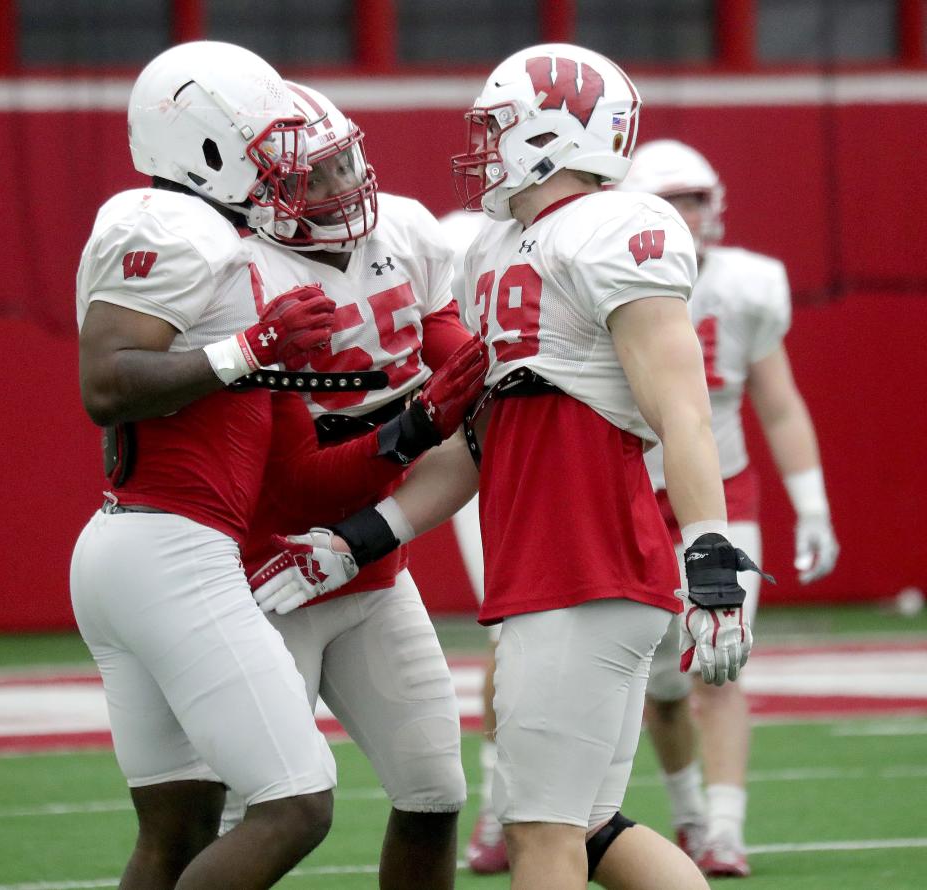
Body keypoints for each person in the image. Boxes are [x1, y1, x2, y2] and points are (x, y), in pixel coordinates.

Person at [256, 43, 771, 890]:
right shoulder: (501, 246)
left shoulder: (615, 228)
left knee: (541, 838)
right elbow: (481, 447)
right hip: (559, 568)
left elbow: (686, 407)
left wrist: (710, 555)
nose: (484, 147)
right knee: (592, 828)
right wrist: (359, 538)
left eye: (498, 128)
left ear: (553, 133)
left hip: (585, 569)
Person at [71, 42, 342, 889]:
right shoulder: (170, 221)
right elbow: (107, 383)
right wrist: (248, 349)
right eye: (263, 146)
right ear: (204, 144)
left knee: (179, 827)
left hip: (147, 544)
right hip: (170, 548)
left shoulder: (206, 231)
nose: (275, 170)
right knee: (297, 803)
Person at [219, 81, 487, 890]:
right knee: (254, 813)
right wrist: (418, 425)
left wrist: (481, 373)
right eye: (317, 177)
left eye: (345, 164)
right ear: (253, 190)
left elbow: (450, 347)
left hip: (371, 574)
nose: (344, 188)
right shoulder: (239, 273)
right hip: (268, 575)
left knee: (436, 790)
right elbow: (296, 480)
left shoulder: (404, 229)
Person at [615, 139, 840, 878]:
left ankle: (724, 829)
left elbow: (778, 404)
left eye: (695, 198)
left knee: (723, 656)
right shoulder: (605, 277)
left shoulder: (747, 285)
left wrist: (812, 507)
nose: (687, 214)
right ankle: (686, 811)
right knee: (662, 683)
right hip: (629, 491)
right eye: (670, 200)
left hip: (721, 489)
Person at [438, 207, 508, 874]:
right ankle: (503, 799)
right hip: (483, 454)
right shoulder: (450, 242)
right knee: (510, 629)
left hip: (574, 452)